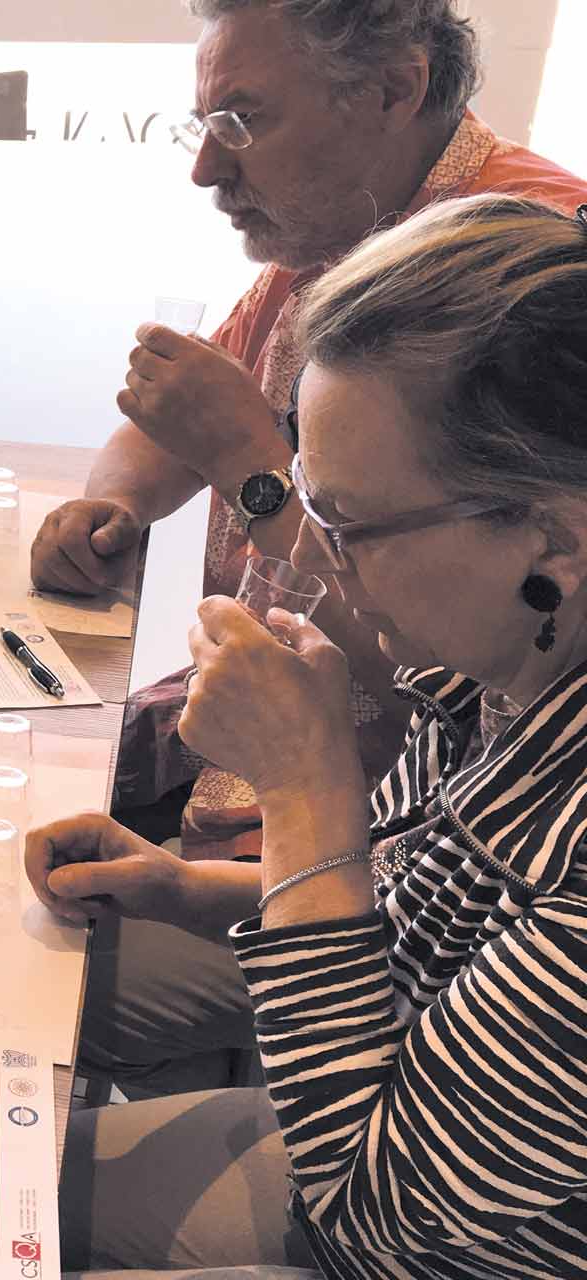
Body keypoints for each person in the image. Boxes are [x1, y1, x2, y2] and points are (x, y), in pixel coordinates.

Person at [36, 193, 587, 1279]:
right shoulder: (502, 661)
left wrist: (305, 790)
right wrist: (186, 888)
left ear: (552, 543)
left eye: (351, 524)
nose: (316, 559)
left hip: (425, 1231)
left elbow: (373, 1207)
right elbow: (411, 914)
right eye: (309, 507)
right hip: (378, 1113)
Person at [30, 0, 587, 861]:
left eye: (242, 121)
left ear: (393, 89)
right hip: (244, 726)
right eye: (205, 124)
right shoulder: (340, 220)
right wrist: (111, 508)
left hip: (407, 823)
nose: (205, 168)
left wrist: (250, 467)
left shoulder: (517, 270)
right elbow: (179, 416)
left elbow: (461, 668)